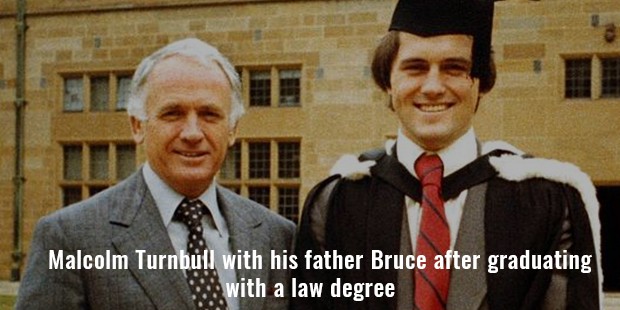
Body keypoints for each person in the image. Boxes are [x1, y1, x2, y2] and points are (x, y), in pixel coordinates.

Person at [292, 0, 602, 309]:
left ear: (481, 84)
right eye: (415, 68)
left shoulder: (546, 202)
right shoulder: (337, 203)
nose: (433, 87)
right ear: (388, 81)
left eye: (454, 68)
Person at [16, 38, 295, 310]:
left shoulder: (277, 236)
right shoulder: (70, 238)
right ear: (137, 126)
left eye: (210, 114)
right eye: (172, 114)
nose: (192, 133)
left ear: (232, 128)